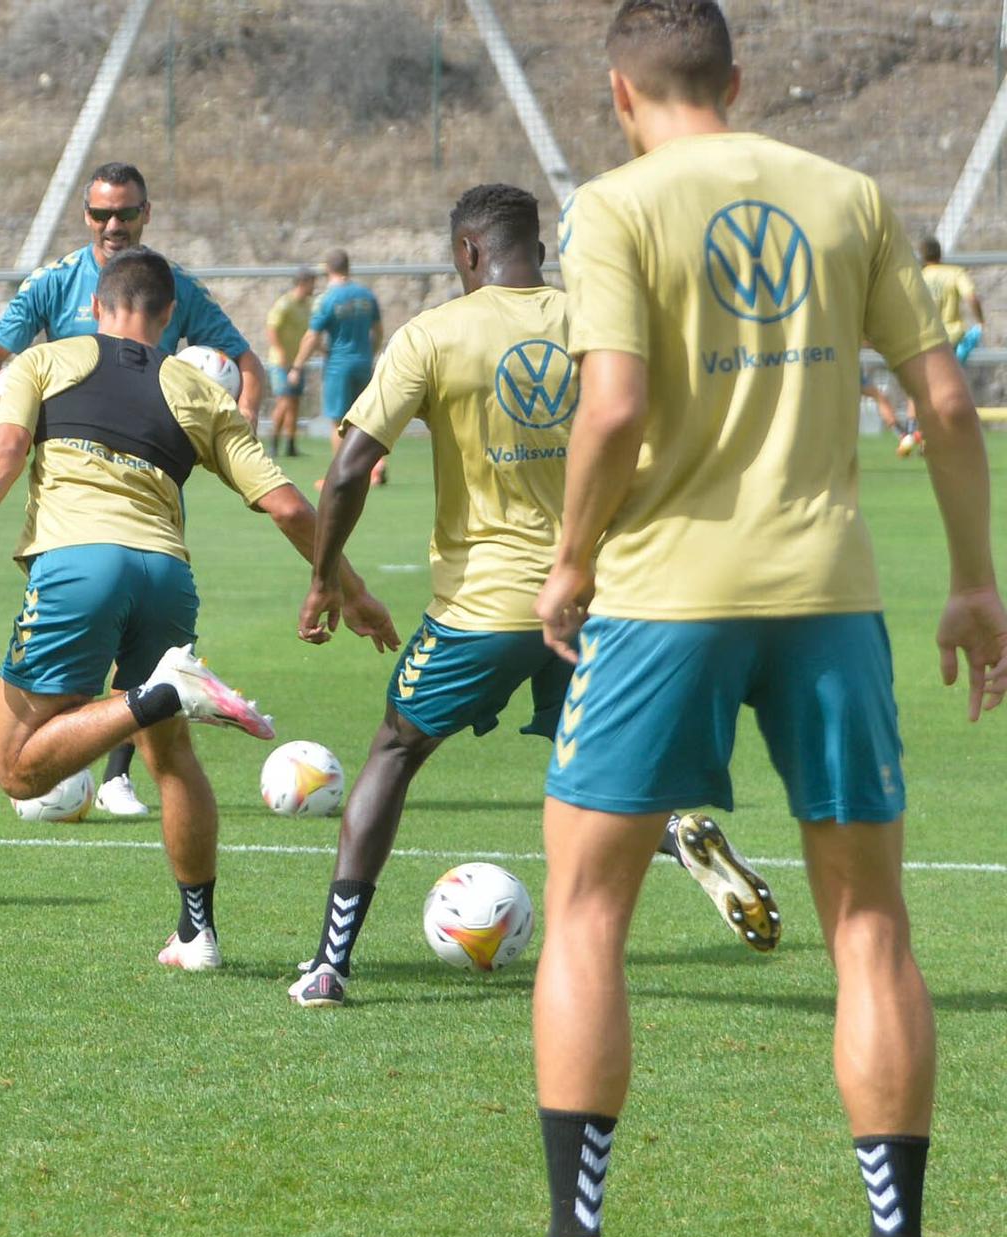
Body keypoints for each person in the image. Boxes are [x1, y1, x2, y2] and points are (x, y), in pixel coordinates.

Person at [473, 5, 1007, 1237]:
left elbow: (613, 402)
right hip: (831, 595)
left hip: (666, 600)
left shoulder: (614, 207)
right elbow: (944, 402)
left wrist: (574, 555)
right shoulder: (848, 197)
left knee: (589, 906)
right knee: (869, 924)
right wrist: (973, 578)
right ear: (738, 80)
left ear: (618, 92)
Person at [288, 184, 778, 1012]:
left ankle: (331, 963)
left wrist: (324, 576)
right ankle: (671, 831)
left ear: (468, 254)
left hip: (484, 606)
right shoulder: (595, 324)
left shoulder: (435, 334)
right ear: (538, 250)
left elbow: (344, 469)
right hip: (594, 594)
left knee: (394, 751)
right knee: (588, 758)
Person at [0, 247, 327, 972]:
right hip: (167, 575)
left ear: (98, 308)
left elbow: (8, 444)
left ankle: (160, 692)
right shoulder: (199, 390)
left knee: (18, 771)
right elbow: (290, 504)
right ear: (169, 317)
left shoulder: (48, 362)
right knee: (171, 753)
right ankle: (197, 933)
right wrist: (345, 586)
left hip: (80, 566)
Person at [0, 161, 264, 818]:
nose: (113, 225)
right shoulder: (55, 281)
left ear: (146, 214)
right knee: (103, 640)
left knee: (130, 640)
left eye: (125, 212)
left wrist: (237, 426)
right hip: (72, 488)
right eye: (101, 213)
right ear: (85, 216)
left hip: (147, 483)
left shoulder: (173, 288)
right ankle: (93, 751)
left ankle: (116, 774)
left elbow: (246, 362)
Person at [289, 250, 386, 485]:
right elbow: (378, 331)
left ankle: (341, 477)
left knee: (339, 422)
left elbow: (312, 336)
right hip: (363, 363)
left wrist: (297, 367)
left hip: (338, 367)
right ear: (348, 267)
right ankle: (378, 467)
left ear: (327, 270)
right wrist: (369, 353)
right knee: (365, 419)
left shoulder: (328, 299)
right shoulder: (366, 295)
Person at [899, 237, 986, 456]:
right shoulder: (955, 273)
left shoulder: (916, 275)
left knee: (919, 387)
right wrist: (981, 320)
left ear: (922, 256)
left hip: (923, 336)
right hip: (951, 336)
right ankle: (932, 437)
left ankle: (912, 434)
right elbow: (972, 297)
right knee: (945, 390)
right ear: (940, 254)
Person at [264, 268, 317, 457]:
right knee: (284, 401)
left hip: (297, 362)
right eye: (312, 283)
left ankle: (291, 445)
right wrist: (279, 350)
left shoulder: (307, 305)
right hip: (281, 363)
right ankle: (273, 444)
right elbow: (271, 328)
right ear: (303, 283)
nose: (314, 287)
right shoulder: (285, 304)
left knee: (294, 402)